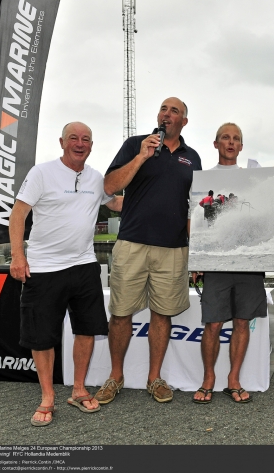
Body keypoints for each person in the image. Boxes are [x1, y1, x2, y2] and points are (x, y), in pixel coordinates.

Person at [9, 121, 123, 427]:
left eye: (86, 139)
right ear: (62, 142)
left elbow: (117, 204)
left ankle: (78, 388)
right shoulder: (41, 173)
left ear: (91, 145)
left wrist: (159, 196)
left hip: (85, 265)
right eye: (74, 138)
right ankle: (47, 397)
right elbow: (18, 213)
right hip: (44, 268)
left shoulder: (97, 178)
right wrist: (18, 256)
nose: (80, 143)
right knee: (42, 335)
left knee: (87, 328)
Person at [96, 97, 202, 404]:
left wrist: (196, 252)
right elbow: (110, 186)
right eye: (163, 109)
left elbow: (194, 208)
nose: (167, 114)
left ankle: (154, 378)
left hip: (173, 248)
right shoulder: (135, 144)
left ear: (184, 121)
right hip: (132, 242)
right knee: (120, 313)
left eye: (175, 111)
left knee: (162, 313)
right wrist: (142, 156)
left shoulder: (192, 158)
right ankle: (115, 376)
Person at [191, 122, 267, 404]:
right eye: (225, 138)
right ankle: (208, 378)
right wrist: (195, 259)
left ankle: (233, 379)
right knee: (212, 323)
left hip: (248, 260)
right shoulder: (201, 178)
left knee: (242, 322)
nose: (231, 143)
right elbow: (194, 219)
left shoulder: (253, 177)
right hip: (214, 260)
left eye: (236, 139)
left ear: (242, 146)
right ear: (216, 144)